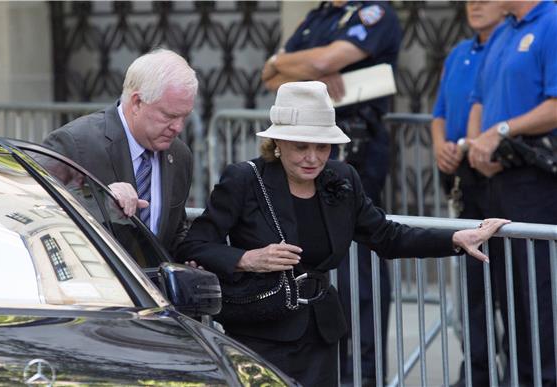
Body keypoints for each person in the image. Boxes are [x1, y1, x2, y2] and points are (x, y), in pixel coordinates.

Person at [177, 81, 509, 387]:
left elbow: (386, 236)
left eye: (323, 147)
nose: (313, 157)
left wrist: (455, 239)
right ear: (276, 142)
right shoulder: (243, 180)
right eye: (300, 146)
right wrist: (248, 259)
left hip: (321, 332)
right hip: (258, 331)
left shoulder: (341, 177)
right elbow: (195, 244)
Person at [261, 2, 402, 383]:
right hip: (316, 150)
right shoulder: (319, 15)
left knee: (361, 263)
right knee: (318, 256)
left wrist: (291, 63)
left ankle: (364, 372)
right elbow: (271, 77)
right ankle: (330, 363)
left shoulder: (374, 13)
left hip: (355, 147)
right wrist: (294, 65)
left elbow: (319, 63)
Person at [466, 1, 557, 386]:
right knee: (507, 291)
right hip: (496, 178)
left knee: (539, 291)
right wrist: (475, 145)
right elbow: (480, 99)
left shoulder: (551, 22)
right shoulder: (504, 30)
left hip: (536, 178)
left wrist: (500, 131)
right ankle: (519, 377)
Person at [43, 48, 197, 255]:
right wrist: (101, 198)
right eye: (169, 116)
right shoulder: (75, 143)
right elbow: (38, 209)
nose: (178, 127)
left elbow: (174, 232)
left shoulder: (179, 155)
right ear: (137, 102)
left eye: (184, 117)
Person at [430, 2, 505, 385]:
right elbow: (439, 112)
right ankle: (477, 372)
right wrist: (441, 144)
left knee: (511, 286)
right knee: (472, 288)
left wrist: (473, 143)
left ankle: (518, 369)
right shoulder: (459, 52)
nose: (475, 5)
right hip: (465, 179)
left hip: (498, 176)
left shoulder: (508, 44)